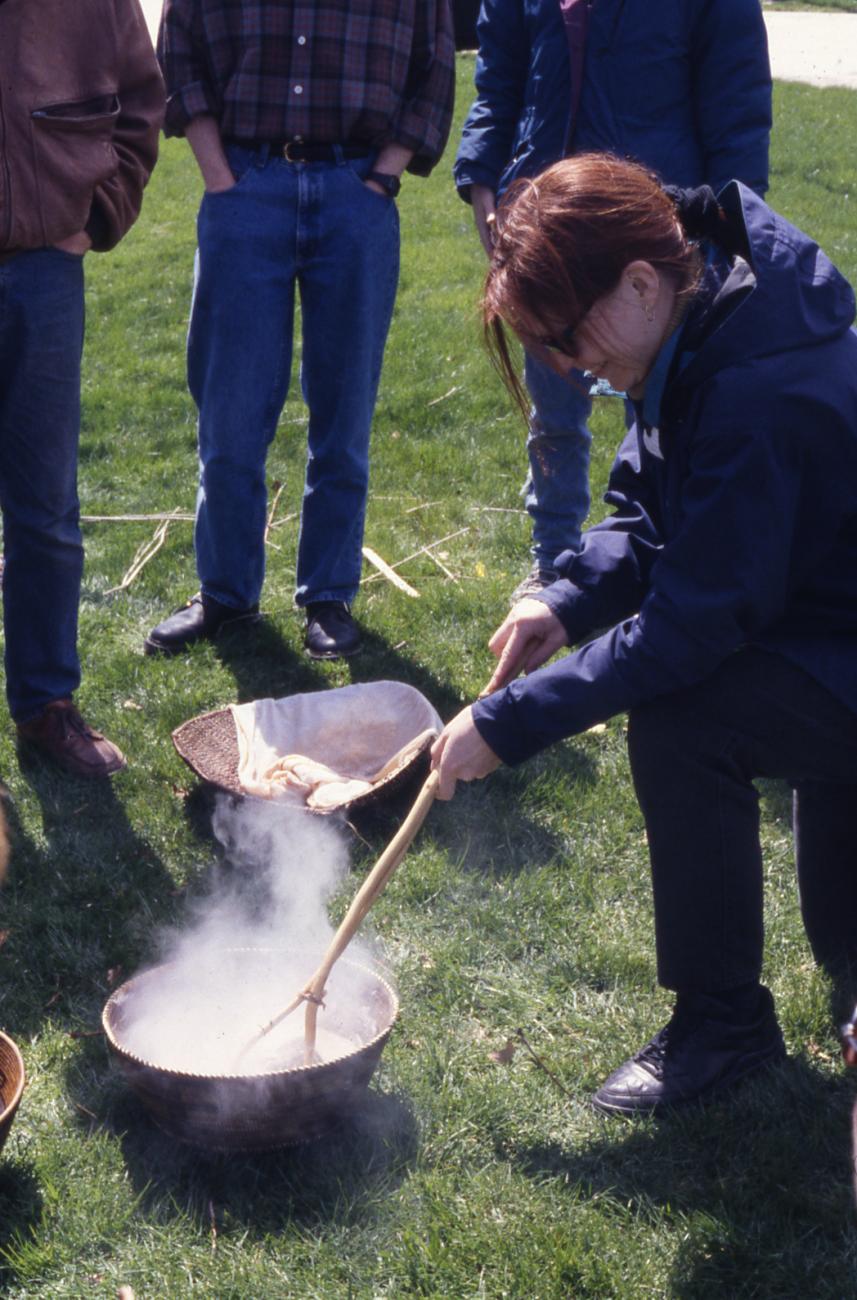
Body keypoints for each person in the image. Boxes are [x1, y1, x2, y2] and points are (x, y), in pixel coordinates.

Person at [431, 154, 857, 1116]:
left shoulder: (759, 390)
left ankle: (721, 1025)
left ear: (637, 282)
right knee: (840, 944)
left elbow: (686, 630)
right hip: (817, 628)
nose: (565, 366)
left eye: (564, 338)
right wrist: (566, 599)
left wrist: (507, 724)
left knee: (685, 720)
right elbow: (648, 512)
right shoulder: (696, 328)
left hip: (832, 644)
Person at [146, 0, 455, 661]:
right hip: (244, 188)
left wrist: (384, 174)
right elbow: (178, 51)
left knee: (344, 410)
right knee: (230, 411)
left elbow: (434, 68)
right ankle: (226, 593)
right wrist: (218, 174)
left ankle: (328, 595)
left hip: (356, 192)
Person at [453, 0, 772, 602]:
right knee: (553, 414)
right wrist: (482, 177)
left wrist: (732, 222)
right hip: (546, 232)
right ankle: (554, 563)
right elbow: (498, 80)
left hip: (656, 238)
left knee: (663, 419)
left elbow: (737, 103)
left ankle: (667, 565)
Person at [0, 0, 163, 778]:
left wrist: (96, 215)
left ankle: (45, 702)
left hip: (43, 270)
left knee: (46, 507)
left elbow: (141, 101)